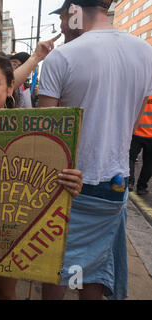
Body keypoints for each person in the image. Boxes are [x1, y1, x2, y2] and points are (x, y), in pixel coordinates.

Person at [38, 0, 152, 300]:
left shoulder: (60, 58)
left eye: (63, 18)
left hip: (67, 183)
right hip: (115, 183)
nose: (62, 26)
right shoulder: (146, 53)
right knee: (95, 269)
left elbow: (46, 139)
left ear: (74, 11)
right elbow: (134, 120)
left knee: (58, 268)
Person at [0, 52, 83, 300]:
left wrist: (71, 183)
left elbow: (50, 178)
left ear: (10, 88)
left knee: (7, 291)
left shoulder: (32, 131)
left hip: (12, 226)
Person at [129, 96, 152, 196]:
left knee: (130, 158)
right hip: (150, 136)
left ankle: (129, 182)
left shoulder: (143, 91)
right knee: (149, 163)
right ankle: (141, 187)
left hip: (136, 132)